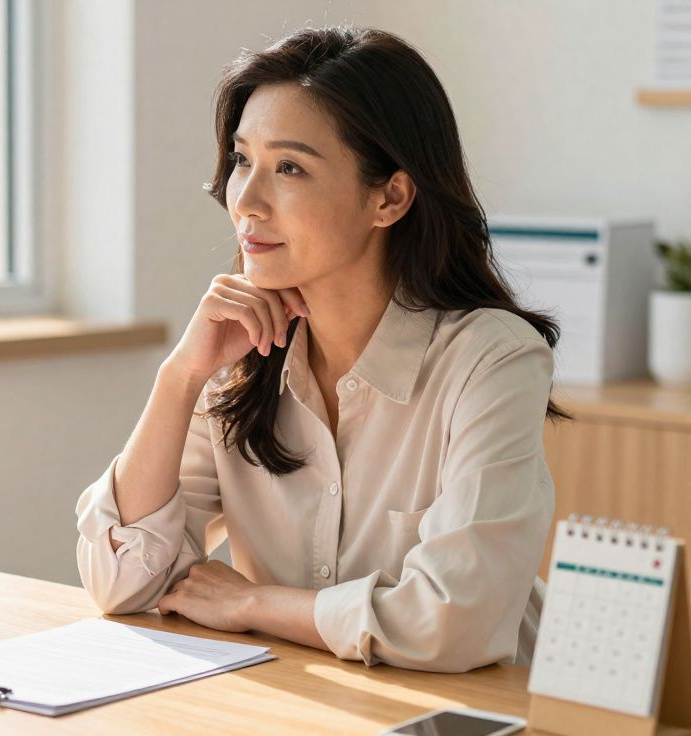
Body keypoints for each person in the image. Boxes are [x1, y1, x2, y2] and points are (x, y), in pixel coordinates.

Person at [76, 26, 565, 673]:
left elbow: (452, 622)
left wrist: (254, 603)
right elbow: (121, 582)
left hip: (471, 706)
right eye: (242, 160)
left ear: (389, 197)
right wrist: (180, 376)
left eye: (290, 168)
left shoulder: (492, 360)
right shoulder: (241, 355)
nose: (247, 202)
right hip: (310, 702)